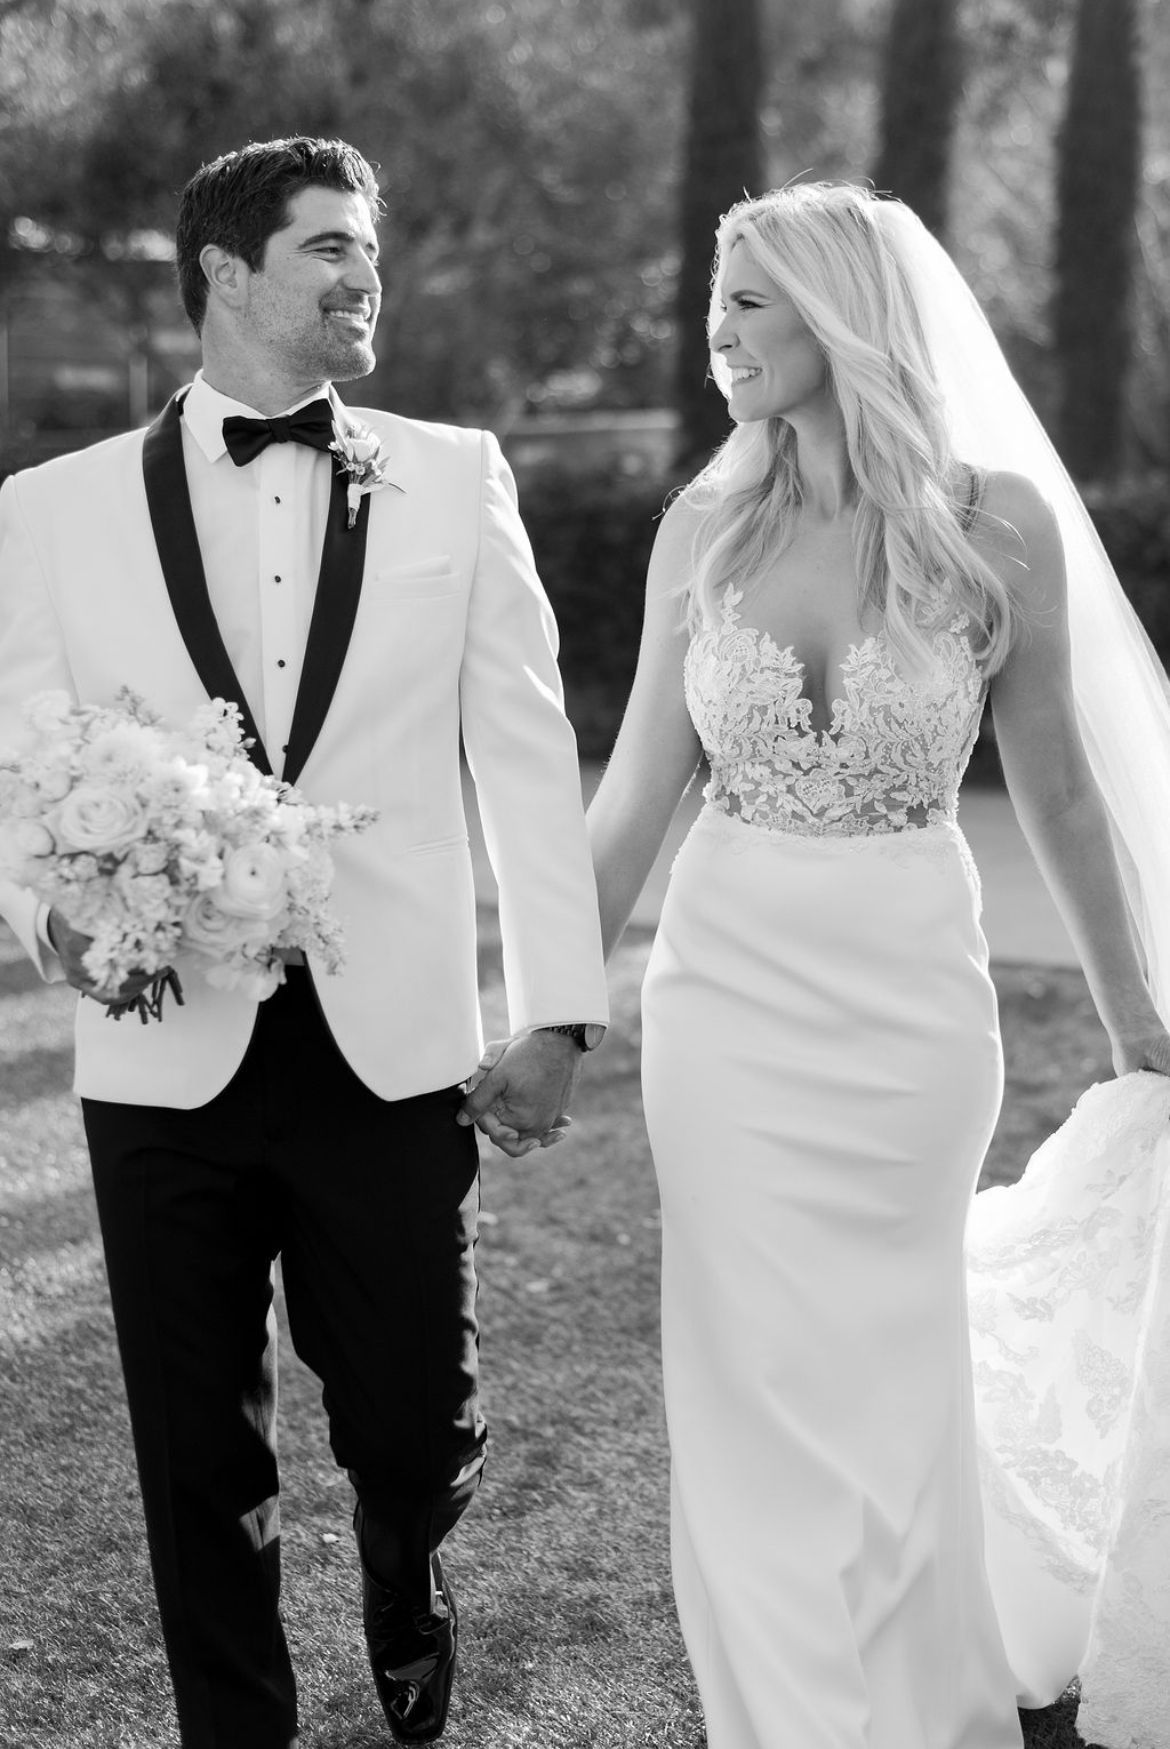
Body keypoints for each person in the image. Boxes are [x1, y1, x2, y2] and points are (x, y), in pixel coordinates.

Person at [0, 136, 607, 1749]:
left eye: (370, 251)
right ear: (224, 270)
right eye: (328, 246)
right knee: (193, 1452)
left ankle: (405, 1567)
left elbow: (525, 754)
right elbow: (17, 756)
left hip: (389, 1041)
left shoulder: (455, 475)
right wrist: (57, 916)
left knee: (409, 1420)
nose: (363, 276)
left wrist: (557, 1012)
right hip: (161, 1041)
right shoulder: (48, 511)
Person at [585, 180, 1170, 1749]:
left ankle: (917, 1701)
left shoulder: (993, 524)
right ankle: (784, 1711)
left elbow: (1058, 791)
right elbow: (633, 796)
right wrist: (549, 1017)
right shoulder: (700, 530)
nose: (716, 333)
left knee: (891, 1359)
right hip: (723, 1002)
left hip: (912, 1004)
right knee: (743, 1367)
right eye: (715, 302)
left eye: (748, 302)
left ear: (840, 316)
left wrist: (1135, 1019)